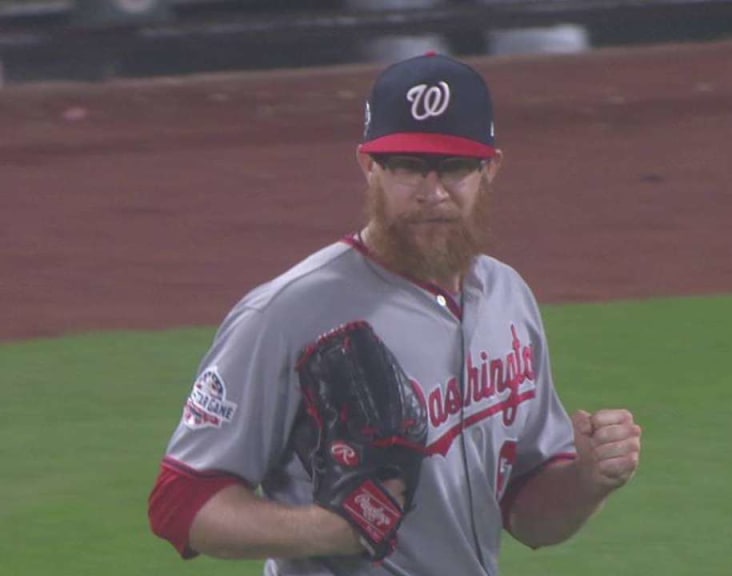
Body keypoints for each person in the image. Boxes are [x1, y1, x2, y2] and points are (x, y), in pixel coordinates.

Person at [148, 52, 643, 576]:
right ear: (369, 166)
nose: (432, 193)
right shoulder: (289, 312)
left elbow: (528, 515)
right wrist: (330, 529)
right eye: (407, 166)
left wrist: (587, 482)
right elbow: (181, 502)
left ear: (489, 169)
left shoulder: (507, 297)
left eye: (454, 168)